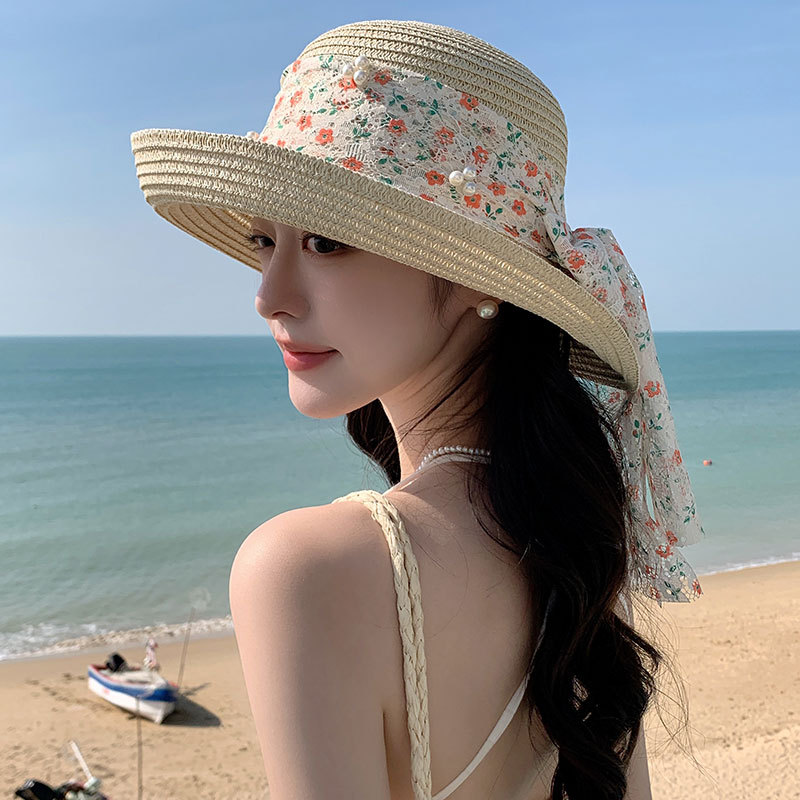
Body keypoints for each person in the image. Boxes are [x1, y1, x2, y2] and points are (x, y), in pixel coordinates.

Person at [130, 19, 706, 800]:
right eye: (266, 241)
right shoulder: (576, 540)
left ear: (476, 276)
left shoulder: (308, 569)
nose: (270, 296)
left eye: (327, 242)